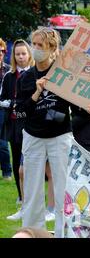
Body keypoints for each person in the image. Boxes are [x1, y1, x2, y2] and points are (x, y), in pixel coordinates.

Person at [15, 28, 75, 237]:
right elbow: (20, 112)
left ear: (52, 49)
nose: (36, 48)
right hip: (33, 136)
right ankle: (32, 232)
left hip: (60, 136)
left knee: (63, 189)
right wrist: (37, 93)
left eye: (41, 45)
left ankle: (63, 232)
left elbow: (75, 107)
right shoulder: (26, 78)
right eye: (35, 44)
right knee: (31, 190)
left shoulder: (63, 74)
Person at [0, 39, 34, 206]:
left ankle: (33, 194)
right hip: (14, 123)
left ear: (29, 55)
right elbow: (2, 98)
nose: (21, 57)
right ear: (13, 56)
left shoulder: (34, 74)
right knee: (16, 158)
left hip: (31, 123)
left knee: (30, 160)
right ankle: (21, 195)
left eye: (23, 53)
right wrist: (10, 104)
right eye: (17, 54)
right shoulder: (9, 76)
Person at [0, 37, 12, 181]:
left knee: (2, 142)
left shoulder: (8, 70)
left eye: (1, 51)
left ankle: (7, 172)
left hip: (3, 109)